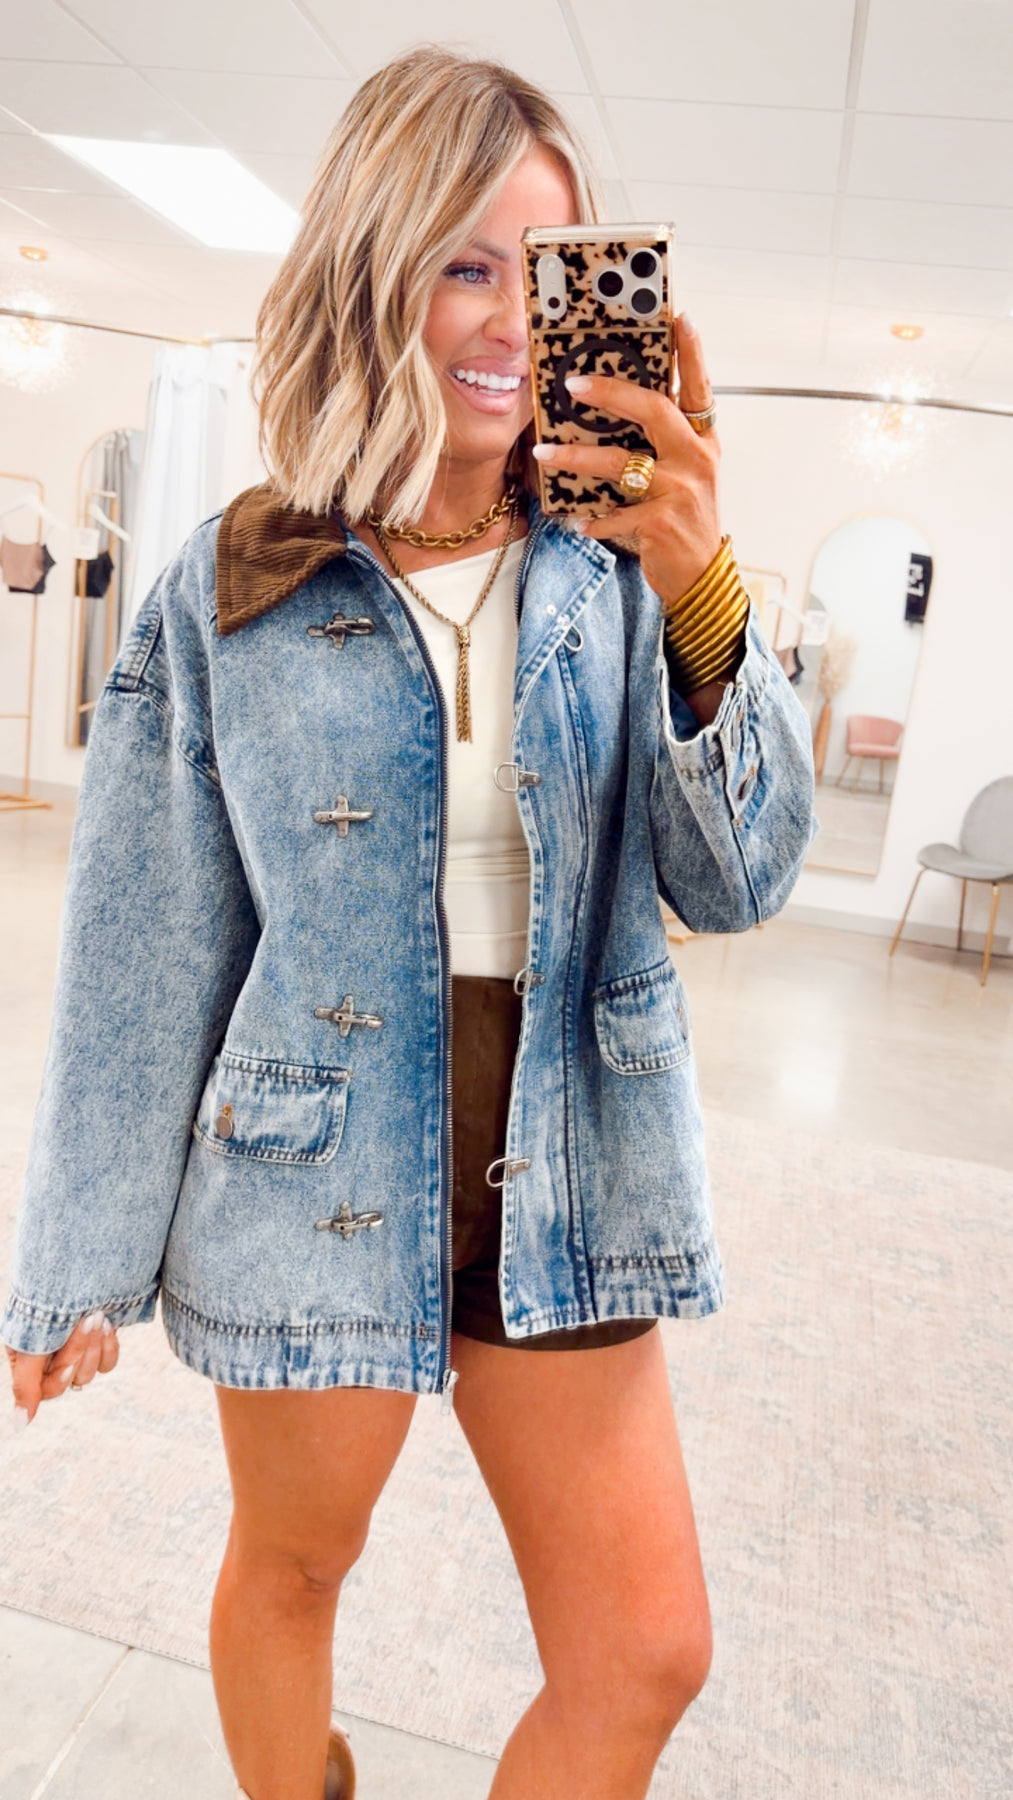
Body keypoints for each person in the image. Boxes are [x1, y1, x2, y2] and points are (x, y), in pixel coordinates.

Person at [2, 46, 815, 1800]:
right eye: (462, 263)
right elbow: (147, 949)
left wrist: (703, 593)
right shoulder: (235, 583)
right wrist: (75, 1254)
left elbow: (739, 878)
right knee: (296, 1569)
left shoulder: (626, 567)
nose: (511, 321)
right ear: (369, 272)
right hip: (308, 1156)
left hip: (574, 1145)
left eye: (547, 269)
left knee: (644, 1652)